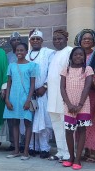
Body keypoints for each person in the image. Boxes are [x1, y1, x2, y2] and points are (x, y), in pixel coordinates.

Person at [60, 47, 93, 170]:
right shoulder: (66, 70)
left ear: (84, 57)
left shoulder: (87, 69)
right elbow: (62, 88)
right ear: (71, 57)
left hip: (83, 105)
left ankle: (78, 159)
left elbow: (87, 87)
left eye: (81, 55)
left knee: (81, 130)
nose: (78, 57)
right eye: (75, 55)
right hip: (68, 105)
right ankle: (71, 157)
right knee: (69, 131)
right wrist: (69, 104)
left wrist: (79, 105)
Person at [4, 43, 38, 160]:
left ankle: (26, 152)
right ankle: (16, 150)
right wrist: (7, 99)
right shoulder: (12, 66)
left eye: (22, 50)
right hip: (13, 98)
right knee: (14, 123)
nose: (19, 52)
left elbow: (33, 85)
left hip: (25, 98)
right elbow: (9, 83)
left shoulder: (32, 66)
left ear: (26, 51)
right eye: (17, 50)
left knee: (28, 123)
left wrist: (28, 100)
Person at [74, 29, 95, 163]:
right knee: (81, 123)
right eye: (84, 38)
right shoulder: (76, 54)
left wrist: (93, 81)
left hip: (92, 94)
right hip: (78, 95)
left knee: (93, 123)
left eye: (89, 39)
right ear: (80, 40)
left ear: (94, 41)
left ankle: (94, 152)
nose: (87, 40)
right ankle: (84, 150)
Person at [25, 29, 54, 158]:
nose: (35, 41)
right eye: (33, 39)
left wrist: (45, 86)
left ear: (42, 41)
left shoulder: (48, 53)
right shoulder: (26, 55)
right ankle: (32, 146)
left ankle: (44, 148)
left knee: (43, 120)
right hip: (29, 94)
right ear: (30, 41)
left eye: (38, 39)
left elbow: (52, 72)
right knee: (29, 121)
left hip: (43, 93)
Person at [47, 29, 72, 162]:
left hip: (64, 96)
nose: (57, 41)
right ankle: (60, 151)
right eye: (55, 39)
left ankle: (69, 153)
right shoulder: (55, 54)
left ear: (66, 39)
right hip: (52, 96)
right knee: (56, 125)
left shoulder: (70, 51)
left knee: (65, 125)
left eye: (60, 38)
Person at [6, 31, 23, 151]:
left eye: (18, 40)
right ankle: (13, 143)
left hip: (23, 90)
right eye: (13, 40)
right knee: (11, 118)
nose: (16, 42)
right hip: (10, 91)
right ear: (10, 42)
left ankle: (23, 143)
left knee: (23, 118)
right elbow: (5, 75)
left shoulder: (25, 55)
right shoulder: (7, 56)